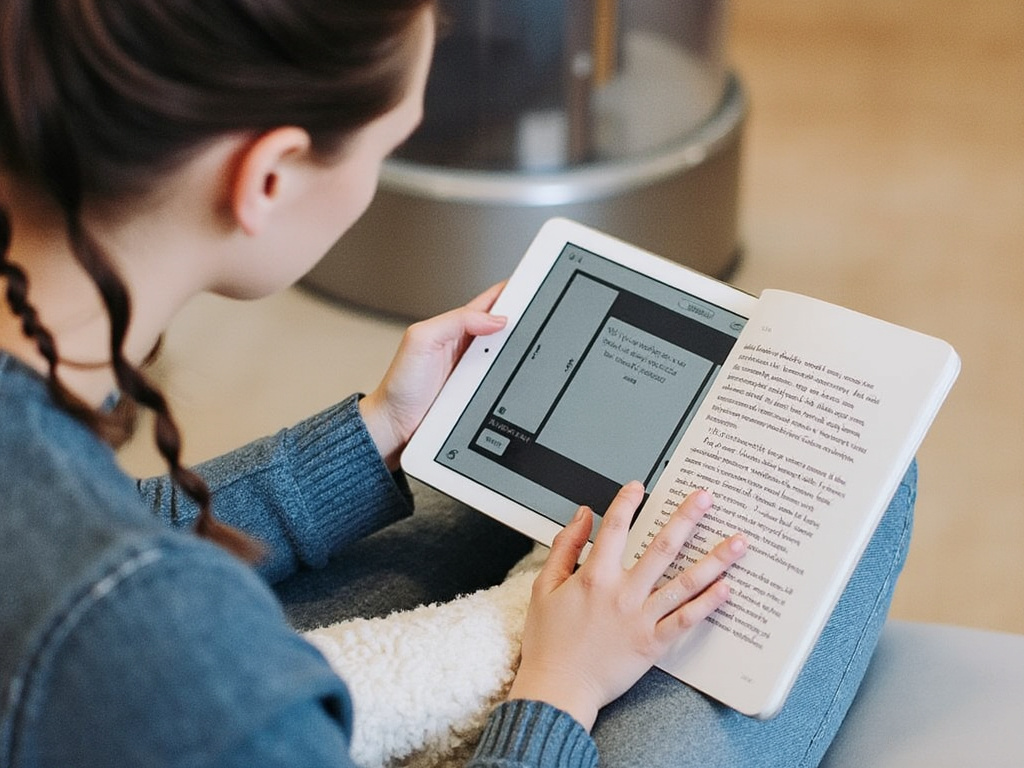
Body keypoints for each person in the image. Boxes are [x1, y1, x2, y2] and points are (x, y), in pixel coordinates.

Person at [0, 2, 914, 766]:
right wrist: (560, 690)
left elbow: (92, 528)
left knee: (489, 498)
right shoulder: (154, 639)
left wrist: (375, 435)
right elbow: (113, 590)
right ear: (270, 176)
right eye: (391, 141)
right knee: (868, 491)